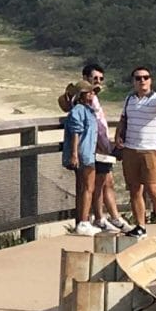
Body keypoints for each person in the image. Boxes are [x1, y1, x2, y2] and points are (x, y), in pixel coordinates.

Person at [116, 65, 156, 235]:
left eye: (145, 77)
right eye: (138, 78)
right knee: (135, 189)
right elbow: (123, 119)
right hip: (130, 149)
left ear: (150, 80)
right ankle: (140, 226)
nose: (142, 81)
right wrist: (118, 136)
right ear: (134, 82)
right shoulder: (129, 99)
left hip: (150, 151)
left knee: (153, 189)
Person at [81, 62, 129, 232]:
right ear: (86, 78)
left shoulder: (94, 98)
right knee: (102, 183)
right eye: (95, 78)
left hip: (102, 147)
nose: (98, 81)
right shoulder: (84, 99)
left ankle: (103, 218)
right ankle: (106, 218)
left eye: (101, 78)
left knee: (105, 183)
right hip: (95, 148)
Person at [61, 80, 102, 236]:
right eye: (89, 92)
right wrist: (74, 154)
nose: (92, 94)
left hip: (87, 152)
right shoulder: (79, 110)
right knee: (87, 188)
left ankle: (83, 220)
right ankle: (83, 222)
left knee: (85, 187)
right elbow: (75, 133)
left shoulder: (87, 110)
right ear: (81, 95)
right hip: (84, 153)